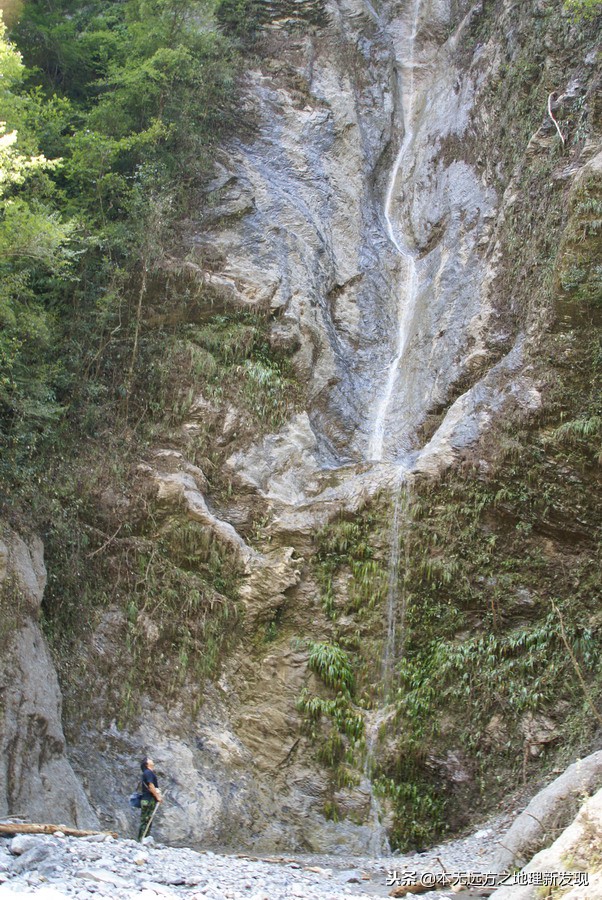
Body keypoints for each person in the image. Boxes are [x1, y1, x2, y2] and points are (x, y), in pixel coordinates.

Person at [138, 756, 162, 842]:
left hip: (147, 799)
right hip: (148, 799)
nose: (152, 760)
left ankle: (144, 839)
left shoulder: (147, 773)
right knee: (146, 820)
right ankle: (142, 840)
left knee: (146, 820)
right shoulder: (148, 773)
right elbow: (151, 786)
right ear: (147, 764)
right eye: (149, 759)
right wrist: (158, 797)